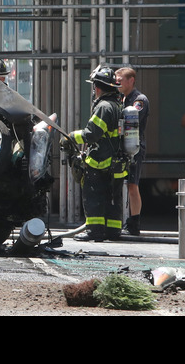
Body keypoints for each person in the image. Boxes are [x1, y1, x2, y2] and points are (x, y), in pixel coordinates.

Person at [62, 66, 127, 242]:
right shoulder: (117, 104)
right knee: (113, 198)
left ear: (97, 87)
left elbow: (91, 134)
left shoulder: (104, 107)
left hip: (101, 161)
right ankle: (113, 231)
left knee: (94, 196)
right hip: (117, 163)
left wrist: (70, 136)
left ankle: (94, 231)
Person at [115, 67, 149, 236]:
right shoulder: (121, 98)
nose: (117, 83)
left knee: (132, 185)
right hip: (122, 147)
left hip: (134, 147)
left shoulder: (139, 100)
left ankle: (134, 222)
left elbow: (130, 119)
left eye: (120, 80)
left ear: (131, 81)